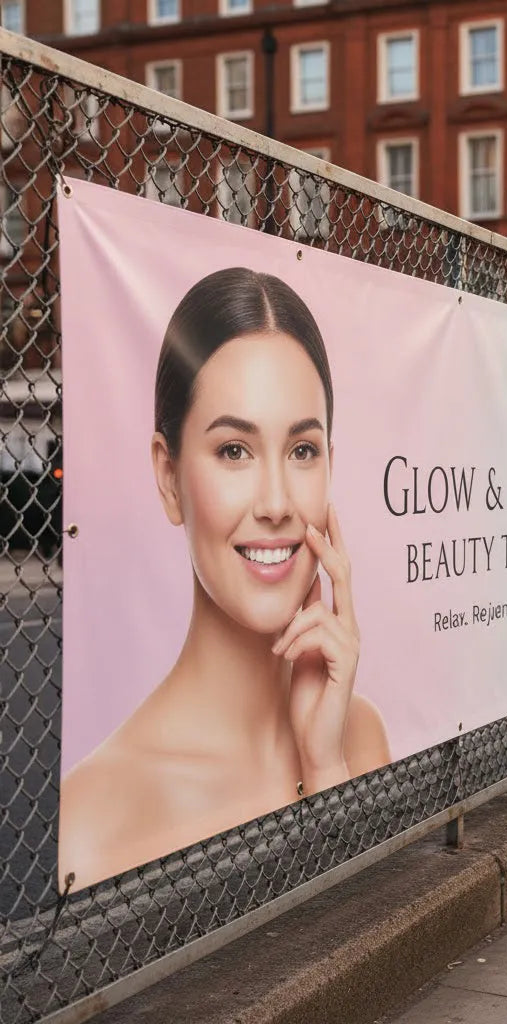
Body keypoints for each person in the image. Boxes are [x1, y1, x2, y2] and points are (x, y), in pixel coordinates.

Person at [58, 267, 390, 891]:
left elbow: (374, 947)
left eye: (302, 451)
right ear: (168, 476)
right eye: (234, 450)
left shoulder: (358, 736)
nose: (274, 502)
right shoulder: (95, 815)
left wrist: (324, 768)